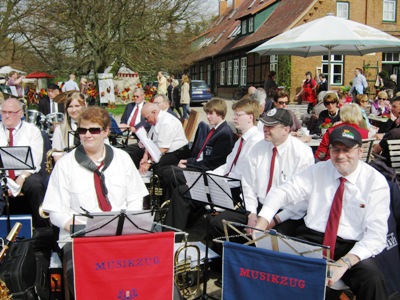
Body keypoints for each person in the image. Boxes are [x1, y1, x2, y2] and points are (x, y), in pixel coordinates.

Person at [256, 125, 390, 300]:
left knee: (372, 280)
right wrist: (262, 222)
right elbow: (283, 192)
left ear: (360, 151)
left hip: (349, 247)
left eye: (347, 150)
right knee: (265, 257)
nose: (341, 156)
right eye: (336, 149)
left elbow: (376, 236)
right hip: (313, 239)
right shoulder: (319, 170)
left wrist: (344, 263)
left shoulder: (375, 182)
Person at [42, 106, 148, 296]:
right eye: (82, 130)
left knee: (146, 277)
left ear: (106, 131)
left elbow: (135, 198)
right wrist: (79, 229)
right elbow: (56, 211)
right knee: (86, 283)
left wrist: (127, 226)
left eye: (94, 130)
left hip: (120, 236)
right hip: (80, 239)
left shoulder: (123, 159)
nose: (87, 135)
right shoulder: (65, 165)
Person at [164, 99, 261, 231]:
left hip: (233, 190)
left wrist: (212, 181)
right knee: (184, 188)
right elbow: (227, 166)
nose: (234, 118)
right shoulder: (242, 140)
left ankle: (173, 235)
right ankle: (177, 232)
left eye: (238, 115)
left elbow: (244, 178)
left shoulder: (256, 142)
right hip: (223, 183)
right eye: (234, 114)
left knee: (182, 192)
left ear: (250, 117)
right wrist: (209, 176)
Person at [242, 108, 314, 235]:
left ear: (286, 130)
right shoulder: (258, 148)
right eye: (265, 125)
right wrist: (251, 214)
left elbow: (302, 199)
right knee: (219, 224)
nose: (265, 129)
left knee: (269, 239)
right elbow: (248, 183)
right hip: (259, 205)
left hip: (286, 212)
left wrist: (273, 220)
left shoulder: (302, 153)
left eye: (271, 126)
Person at [0, 98, 48, 227]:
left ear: (21, 113)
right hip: (2, 175)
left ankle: (42, 229)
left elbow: (36, 161)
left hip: (26, 174)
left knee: (36, 185)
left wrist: (21, 178)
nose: (6, 115)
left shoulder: (32, 131)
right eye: (3, 112)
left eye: (11, 112)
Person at [127, 102, 189, 173]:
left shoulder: (166, 122)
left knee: (157, 167)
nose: (146, 121)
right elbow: (150, 141)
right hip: (161, 150)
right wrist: (145, 157)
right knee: (134, 155)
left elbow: (163, 149)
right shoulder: (155, 121)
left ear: (154, 113)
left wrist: (149, 162)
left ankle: (154, 182)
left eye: (146, 118)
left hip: (177, 152)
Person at [51, 92, 87, 162]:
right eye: (70, 107)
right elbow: (57, 155)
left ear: (84, 106)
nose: (73, 110)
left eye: (77, 106)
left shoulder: (95, 127)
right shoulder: (60, 130)